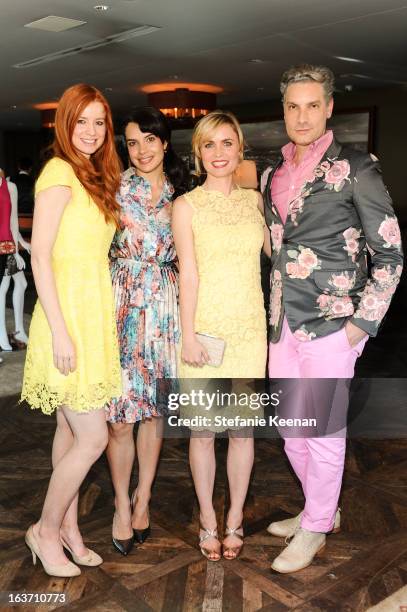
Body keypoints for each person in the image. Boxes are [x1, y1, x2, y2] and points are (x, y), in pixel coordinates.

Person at [263, 64, 403, 573]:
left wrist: (359, 325)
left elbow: (390, 254)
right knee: (291, 429)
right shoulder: (272, 173)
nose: (302, 116)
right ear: (285, 111)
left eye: (312, 105)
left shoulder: (356, 167)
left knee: (322, 432)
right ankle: (319, 509)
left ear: (328, 109)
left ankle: (316, 527)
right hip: (282, 323)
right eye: (292, 106)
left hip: (331, 324)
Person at [21, 83, 122, 577]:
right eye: (81, 121)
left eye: (99, 122)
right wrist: (61, 333)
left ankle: (68, 529)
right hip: (66, 321)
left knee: (69, 427)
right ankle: (44, 528)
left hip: (92, 315)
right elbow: (39, 256)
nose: (90, 131)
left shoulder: (94, 174)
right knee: (93, 438)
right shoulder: (58, 172)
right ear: (64, 123)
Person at [172, 110, 270, 561]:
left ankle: (235, 521)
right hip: (205, 331)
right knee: (204, 433)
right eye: (208, 145)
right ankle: (208, 521)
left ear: (239, 149)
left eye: (227, 143)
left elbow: (284, 254)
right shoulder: (186, 205)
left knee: (243, 432)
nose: (218, 153)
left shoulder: (254, 202)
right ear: (197, 152)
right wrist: (188, 335)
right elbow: (187, 274)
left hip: (250, 330)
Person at [106, 107, 186, 555]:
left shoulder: (182, 195)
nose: (141, 150)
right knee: (119, 417)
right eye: (132, 142)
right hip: (120, 307)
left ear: (165, 142)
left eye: (149, 140)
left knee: (153, 413)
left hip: (165, 310)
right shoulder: (111, 190)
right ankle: (120, 503)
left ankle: (144, 498)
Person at [0, 168, 31, 352]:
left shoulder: (10, 186)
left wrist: (20, 244)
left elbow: (12, 221)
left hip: (8, 246)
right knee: (2, 288)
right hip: (4, 248)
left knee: (22, 283)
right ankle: (2, 336)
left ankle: (18, 331)